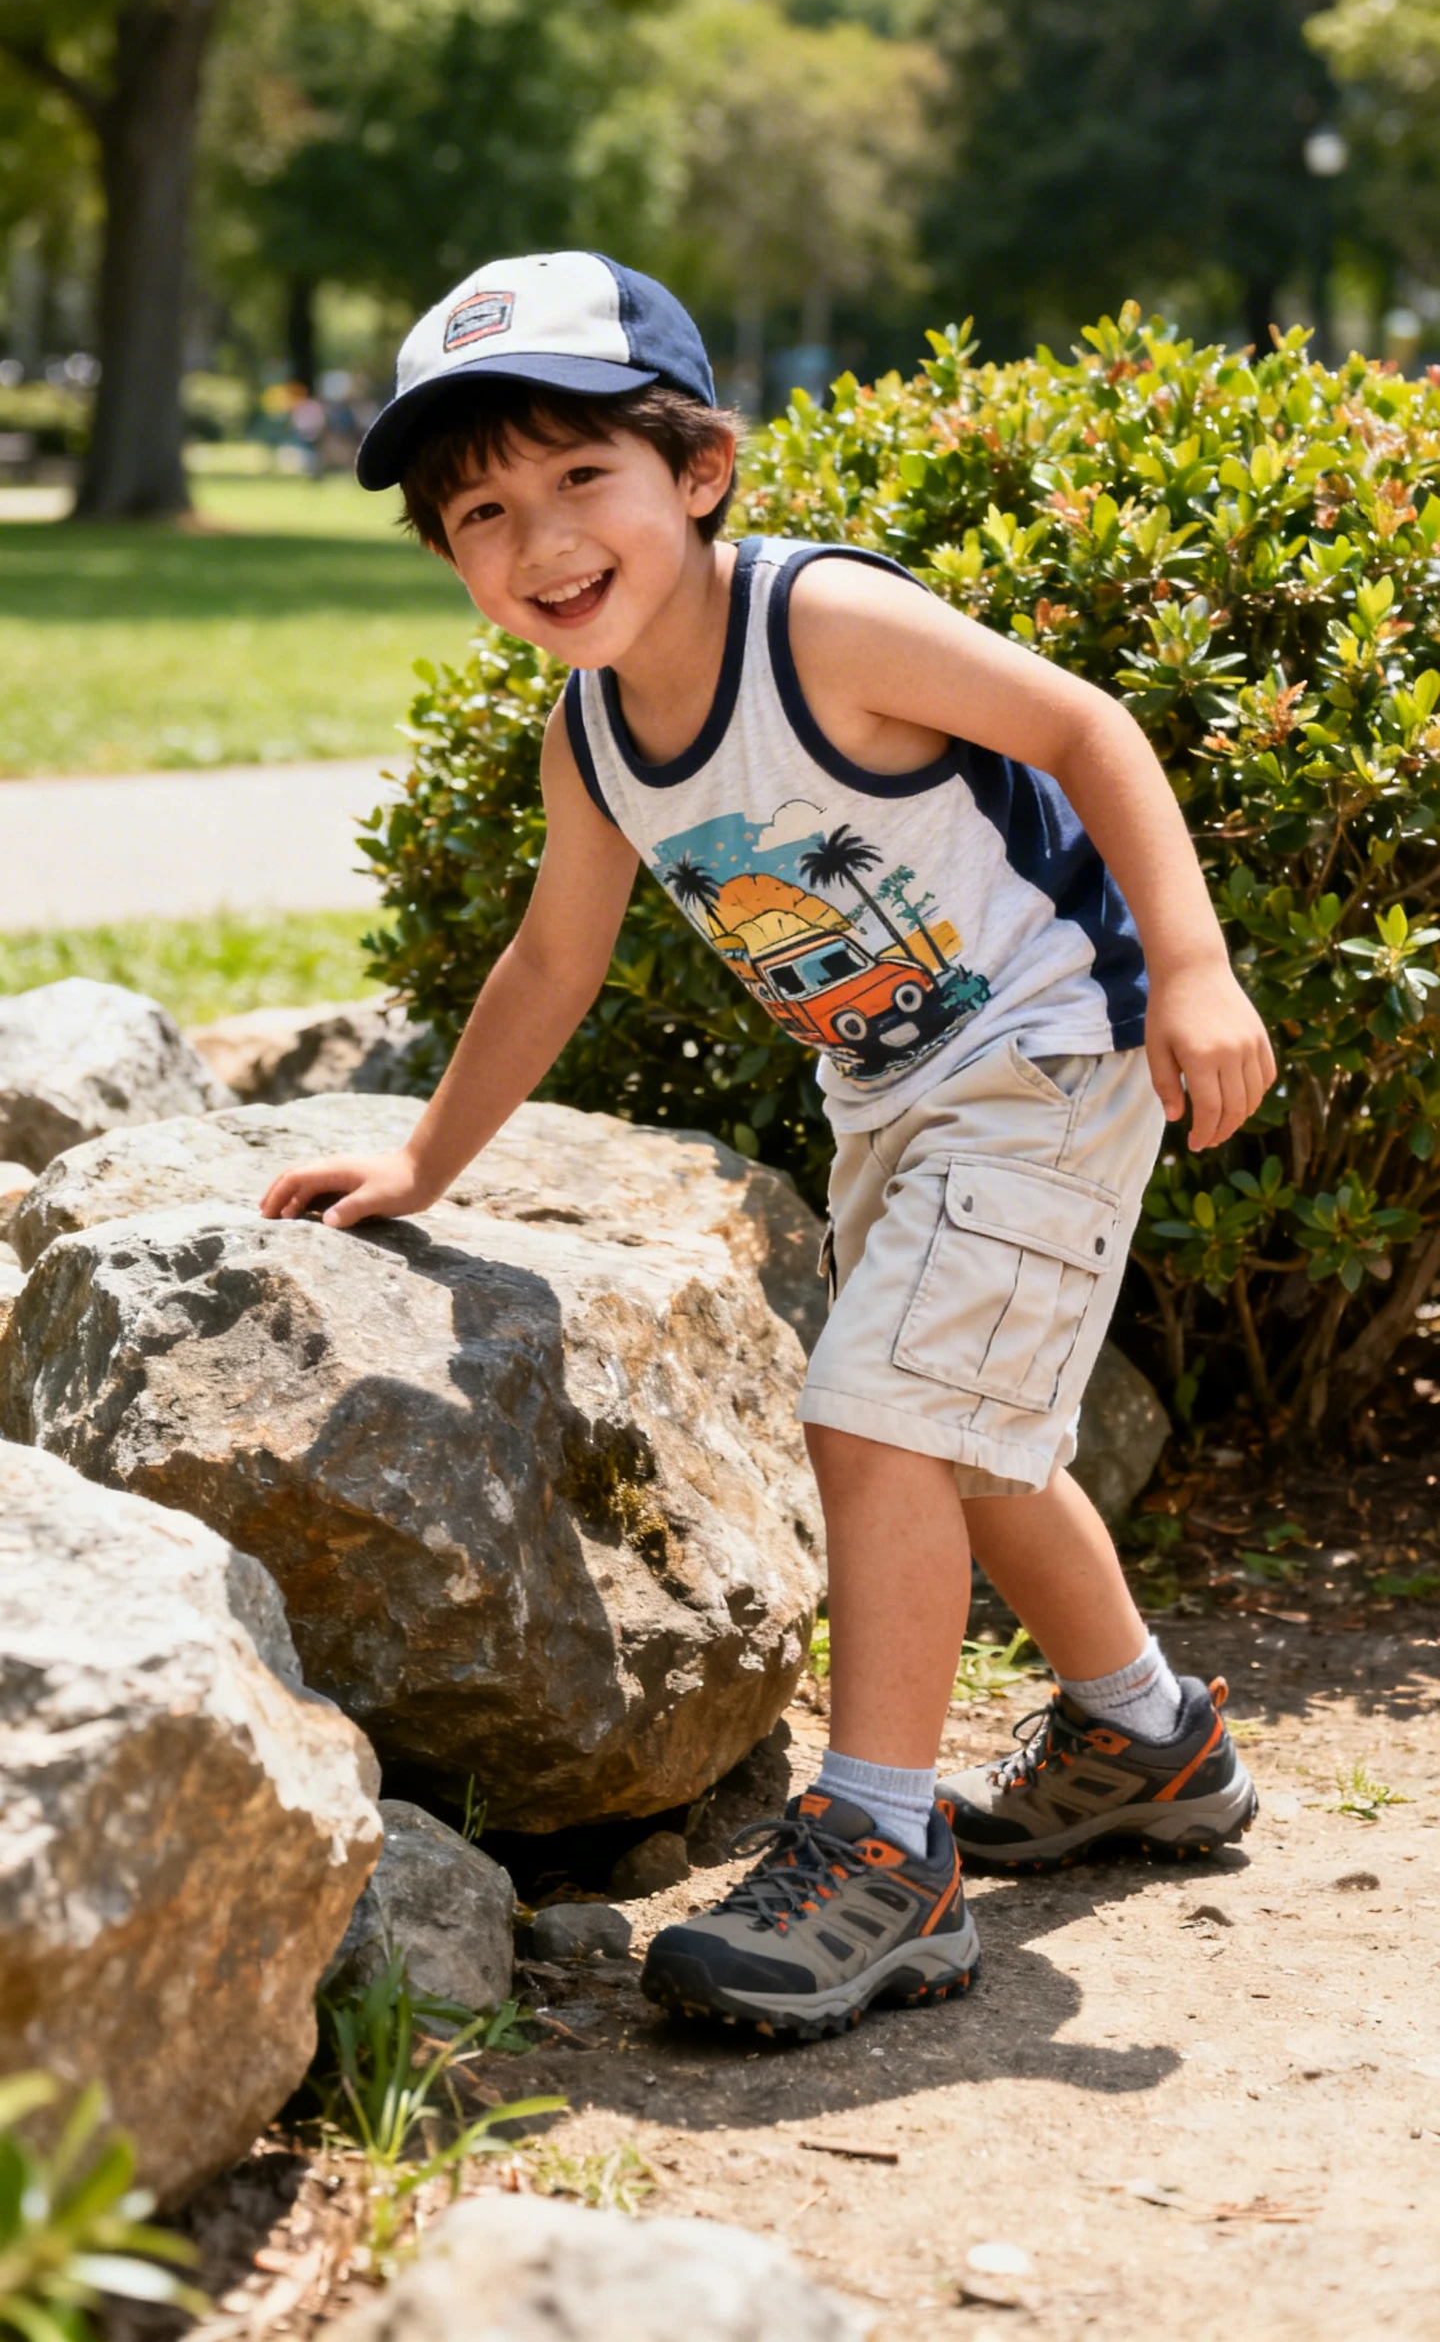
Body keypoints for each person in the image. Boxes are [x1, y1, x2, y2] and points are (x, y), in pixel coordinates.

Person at [261, 252, 1270, 2040]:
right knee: (966, 1439)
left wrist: (1190, 967)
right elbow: (553, 959)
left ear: (698, 472)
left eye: (585, 479)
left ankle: (884, 1853)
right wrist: (425, 1165)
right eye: (484, 509)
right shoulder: (596, 739)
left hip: (1049, 1051)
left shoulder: (814, 627)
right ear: (447, 554)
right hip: (900, 1095)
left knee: (875, 1411)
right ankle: (1144, 1734)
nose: (542, 539)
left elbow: (1087, 728)